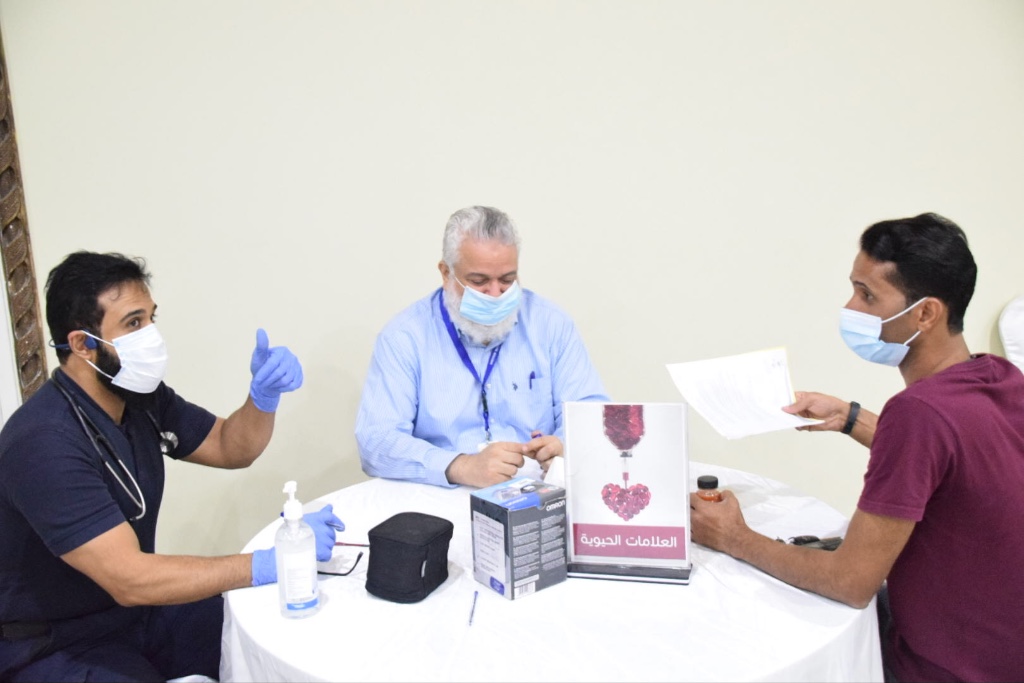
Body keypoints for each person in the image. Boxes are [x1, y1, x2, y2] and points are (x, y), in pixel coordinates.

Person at [689, 213, 1024, 682]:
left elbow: (850, 581)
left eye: (867, 295)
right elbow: (953, 460)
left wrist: (734, 536)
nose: (850, 307)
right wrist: (853, 418)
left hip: (943, 667)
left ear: (925, 314)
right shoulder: (998, 377)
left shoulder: (919, 413)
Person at [0, 251, 342, 682]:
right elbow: (130, 578)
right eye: (133, 323)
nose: (151, 336)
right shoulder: (42, 443)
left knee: (264, 632)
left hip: (135, 615)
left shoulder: (139, 398)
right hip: (54, 645)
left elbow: (230, 447)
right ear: (83, 344)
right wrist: (262, 563)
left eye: (150, 318)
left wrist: (263, 397)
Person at [356, 205, 609, 488]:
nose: (495, 294)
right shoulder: (404, 337)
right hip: (440, 494)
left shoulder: (551, 324)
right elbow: (376, 441)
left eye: (508, 280)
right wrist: (460, 466)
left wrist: (566, 447)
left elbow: (593, 415)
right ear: (446, 273)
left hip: (537, 492)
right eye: (479, 281)